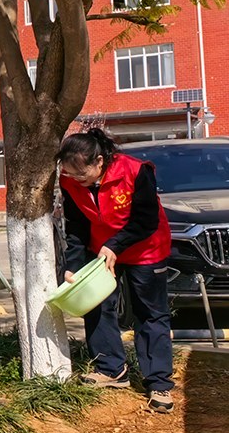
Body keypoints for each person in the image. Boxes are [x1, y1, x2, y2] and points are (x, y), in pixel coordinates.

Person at [57, 128, 174, 413]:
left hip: (145, 248)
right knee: (97, 305)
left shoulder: (135, 171)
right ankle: (111, 369)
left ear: (99, 161)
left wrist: (115, 245)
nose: (76, 180)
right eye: (70, 174)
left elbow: (146, 220)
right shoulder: (69, 180)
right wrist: (73, 265)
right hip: (102, 250)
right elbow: (76, 225)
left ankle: (158, 381)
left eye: (81, 174)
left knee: (150, 313)